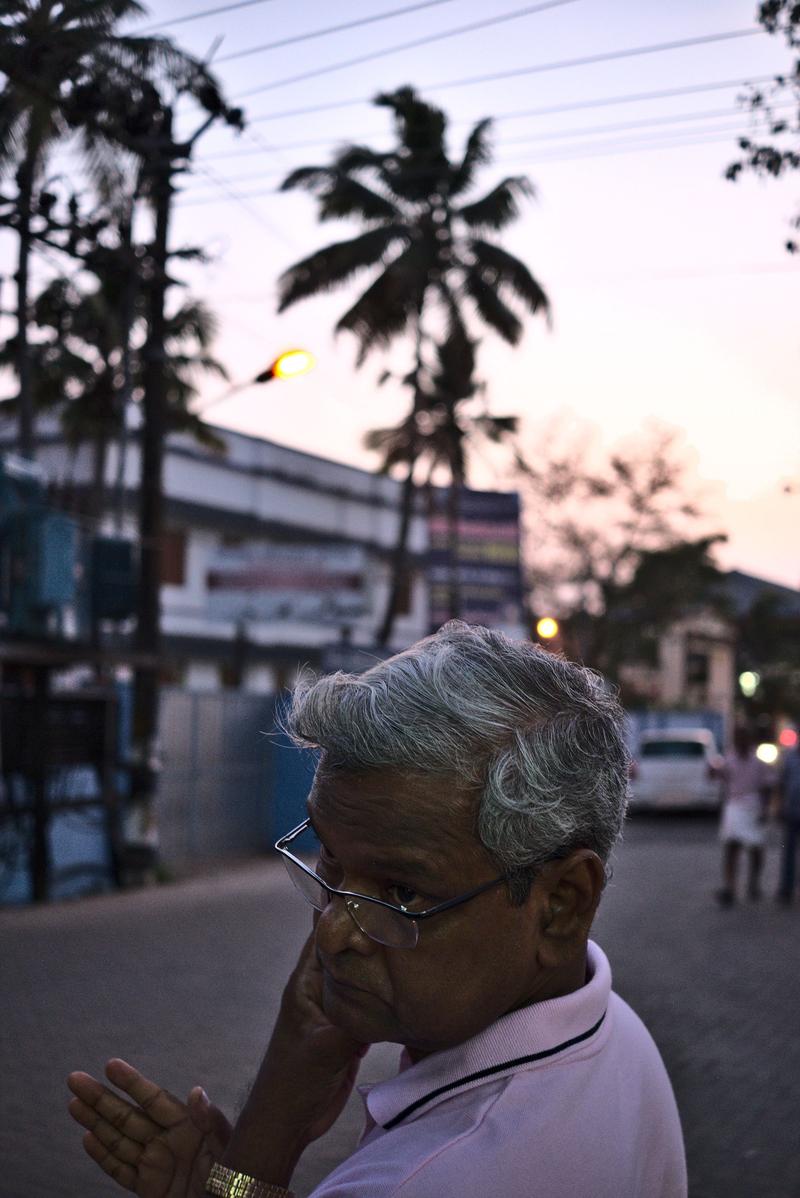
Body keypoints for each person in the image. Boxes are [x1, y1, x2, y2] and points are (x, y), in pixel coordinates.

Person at [67, 621, 687, 1198]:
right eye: (330, 863)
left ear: (561, 905)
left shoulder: (418, 1179)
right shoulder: (615, 1033)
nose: (333, 931)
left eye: (402, 893)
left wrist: (252, 1161)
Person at [715, 726, 774, 907]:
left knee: (756, 849)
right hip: (734, 807)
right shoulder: (730, 760)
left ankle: (753, 883)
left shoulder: (758, 762)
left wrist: (765, 809)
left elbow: (767, 786)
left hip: (752, 807)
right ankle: (730, 887)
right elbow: (722, 780)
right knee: (731, 847)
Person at [776, 732, 800, 905]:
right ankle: (786, 888)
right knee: (789, 852)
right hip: (792, 811)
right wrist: (778, 805)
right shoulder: (790, 757)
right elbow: (781, 782)